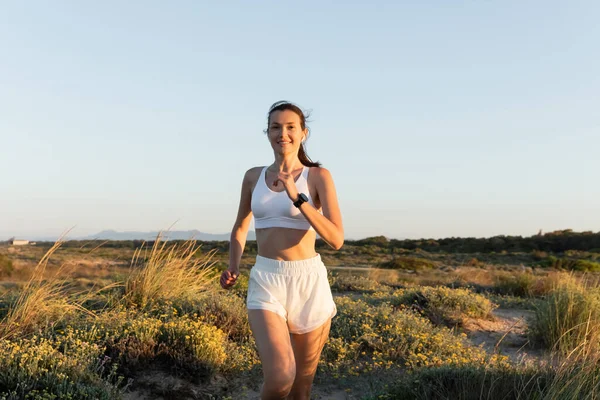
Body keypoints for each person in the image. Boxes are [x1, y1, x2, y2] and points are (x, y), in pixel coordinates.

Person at [220, 101, 344, 400]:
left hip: (308, 283)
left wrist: (298, 198)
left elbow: (336, 238)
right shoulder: (253, 176)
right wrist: (234, 265)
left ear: (304, 133)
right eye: (275, 127)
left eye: (290, 127)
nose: (283, 133)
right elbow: (240, 226)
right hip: (266, 279)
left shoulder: (317, 176)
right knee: (280, 378)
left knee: (300, 391)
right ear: (268, 132)